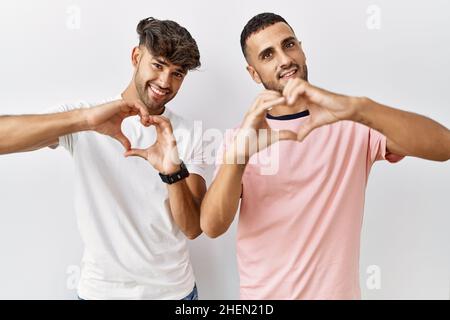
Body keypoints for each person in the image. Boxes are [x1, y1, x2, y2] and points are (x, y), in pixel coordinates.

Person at [200, 12, 450, 299]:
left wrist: (360, 108)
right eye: (268, 55)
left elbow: (444, 146)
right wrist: (239, 157)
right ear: (254, 73)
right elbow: (212, 226)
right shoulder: (242, 137)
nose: (284, 59)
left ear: (302, 48)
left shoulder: (351, 122)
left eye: (289, 45)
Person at [0, 17, 205, 300]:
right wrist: (84, 120)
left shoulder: (189, 133)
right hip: (100, 292)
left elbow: (193, 228)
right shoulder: (85, 117)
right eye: (157, 65)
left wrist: (172, 173)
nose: (164, 82)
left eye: (177, 73)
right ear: (136, 56)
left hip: (175, 293)